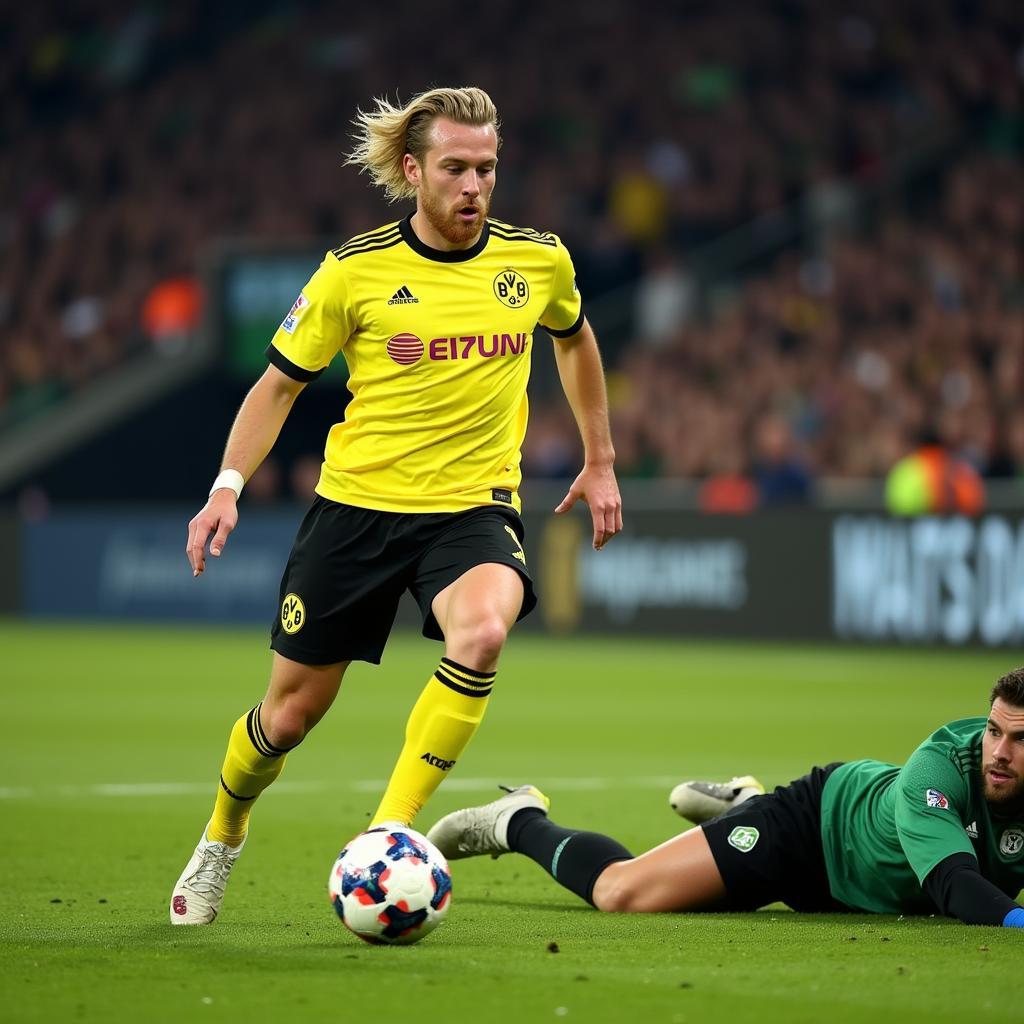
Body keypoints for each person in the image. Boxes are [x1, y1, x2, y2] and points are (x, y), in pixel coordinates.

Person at [170, 86, 622, 925]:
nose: (473, 187)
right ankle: (222, 835)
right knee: (289, 716)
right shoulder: (356, 270)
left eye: (486, 169)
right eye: (454, 168)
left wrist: (600, 458)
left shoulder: (537, 261)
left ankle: (392, 833)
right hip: (356, 512)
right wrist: (226, 489)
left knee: (485, 629)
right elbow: (276, 387)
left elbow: (577, 336)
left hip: (471, 510)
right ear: (414, 170)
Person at [426, 668, 1024, 927]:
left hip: (853, 895)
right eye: (994, 731)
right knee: (623, 893)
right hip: (813, 833)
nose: (999, 751)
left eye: (1019, 741)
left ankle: (742, 802)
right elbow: (954, 885)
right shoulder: (941, 767)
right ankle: (520, 819)